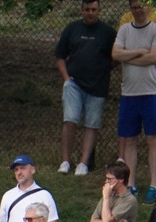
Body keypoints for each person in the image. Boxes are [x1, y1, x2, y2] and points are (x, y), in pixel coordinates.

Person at [112, 0, 156, 205]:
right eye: (134, 7)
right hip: (129, 92)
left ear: (148, 7)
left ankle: (153, 185)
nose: (138, 10)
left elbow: (154, 57)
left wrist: (128, 57)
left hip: (151, 91)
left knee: (153, 139)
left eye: (141, 6)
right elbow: (115, 54)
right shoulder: (125, 30)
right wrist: (138, 52)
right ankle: (131, 183)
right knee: (129, 139)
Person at [54, 0, 117, 176]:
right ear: (82, 11)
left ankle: (83, 163)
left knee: (92, 124)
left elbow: (117, 57)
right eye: (87, 9)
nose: (90, 13)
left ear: (99, 11)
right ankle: (65, 161)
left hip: (98, 86)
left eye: (93, 9)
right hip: (74, 84)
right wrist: (66, 78)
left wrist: (102, 71)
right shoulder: (72, 28)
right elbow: (59, 56)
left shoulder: (108, 32)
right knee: (70, 120)